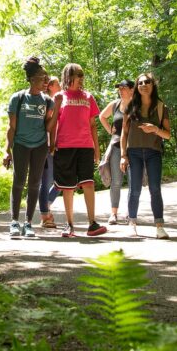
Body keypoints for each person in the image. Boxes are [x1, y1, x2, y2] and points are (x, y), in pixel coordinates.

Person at [49, 63, 107, 237]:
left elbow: (93, 125)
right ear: (68, 76)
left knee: (88, 183)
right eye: (78, 74)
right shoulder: (59, 97)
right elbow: (52, 124)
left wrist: (97, 149)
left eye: (82, 74)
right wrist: (52, 144)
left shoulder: (88, 97)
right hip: (65, 146)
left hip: (85, 146)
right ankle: (69, 225)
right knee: (67, 187)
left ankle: (92, 223)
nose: (81, 78)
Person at [2, 57, 54, 238]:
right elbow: (12, 127)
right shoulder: (18, 98)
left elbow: (48, 126)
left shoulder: (48, 101)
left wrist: (58, 105)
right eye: (42, 77)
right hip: (21, 145)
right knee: (18, 181)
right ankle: (14, 222)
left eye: (46, 77)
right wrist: (6, 150)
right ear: (31, 79)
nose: (45, 81)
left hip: (40, 145)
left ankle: (28, 223)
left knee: (35, 184)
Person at [120, 73, 171, 239]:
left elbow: (168, 135)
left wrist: (155, 129)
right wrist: (123, 155)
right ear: (137, 87)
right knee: (134, 189)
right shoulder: (130, 106)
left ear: (153, 85)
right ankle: (132, 223)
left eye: (147, 82)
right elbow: (124, 133)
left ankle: (159, 226)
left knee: (155, 189)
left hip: (153, 152)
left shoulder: (161, 106)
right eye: (140, 82)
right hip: (133, 152)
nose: (143, 85)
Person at [98, 79, 134, 225]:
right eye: (119, 87)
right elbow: (101, 116)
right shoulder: (115, 105)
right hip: (117, 147)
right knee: (116, 182)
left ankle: (131, 213)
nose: (120, 89)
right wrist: (110, 131)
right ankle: (114, 214)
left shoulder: (137, 105)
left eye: (124, 87)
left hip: (133, 148)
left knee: (133, 182)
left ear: (132, 89)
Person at [38, 76, 62, 228]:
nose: (60, 86)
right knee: (46, 182)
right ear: (51, 86)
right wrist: (51, 144)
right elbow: (49, 126)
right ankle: (45, 214)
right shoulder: (46, 101)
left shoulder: (56, 102)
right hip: (46, 146)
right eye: (58, 83)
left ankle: (45, 203)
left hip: (55, 145)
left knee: (60, 179)